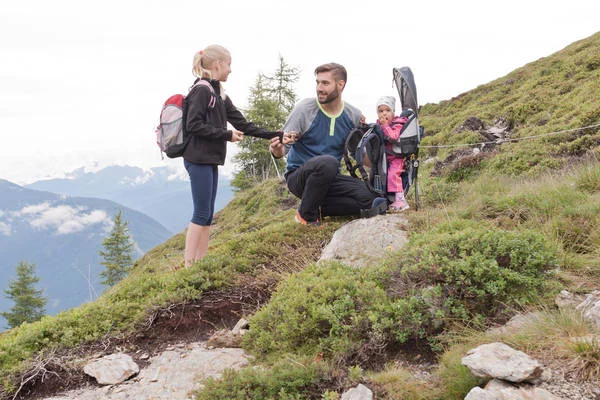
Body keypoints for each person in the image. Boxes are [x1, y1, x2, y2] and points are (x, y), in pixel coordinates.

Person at [183, 45, 281, 267]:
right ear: (218, 64)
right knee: (200, 213)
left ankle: (201, 263)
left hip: (208, 159)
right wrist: (226, 134)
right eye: (229, 64)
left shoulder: (219, 93)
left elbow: (243, 124)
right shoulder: (202, 90)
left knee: (207, 213)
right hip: (197, 159)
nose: (230, 70)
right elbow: (193, 125)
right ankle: (188, 266)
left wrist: (278, 135)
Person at [269, 63, 386, 225]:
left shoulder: (353, 115)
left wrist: (385, 149)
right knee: (327, 162)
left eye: (325, 83)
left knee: (370, 198)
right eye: (317, 82)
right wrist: (276, 149)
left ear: (340, 85)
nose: (319, 88)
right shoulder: (304, 110)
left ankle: (317, 207)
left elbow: (360, 156)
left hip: (331, 178)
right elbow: (282, 150)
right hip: (299, 176)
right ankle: (305, 215)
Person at [375, 95, 410, 211]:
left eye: (387, 110)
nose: (384, 114)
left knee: (393, 175)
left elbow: (394, 137)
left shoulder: (398, 124)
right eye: (380, 111)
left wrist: (385, 126)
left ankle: (401, 201)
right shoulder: (379, 124)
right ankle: (386, 198)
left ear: (393, 112)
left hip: (397, 157)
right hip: (384, 157)